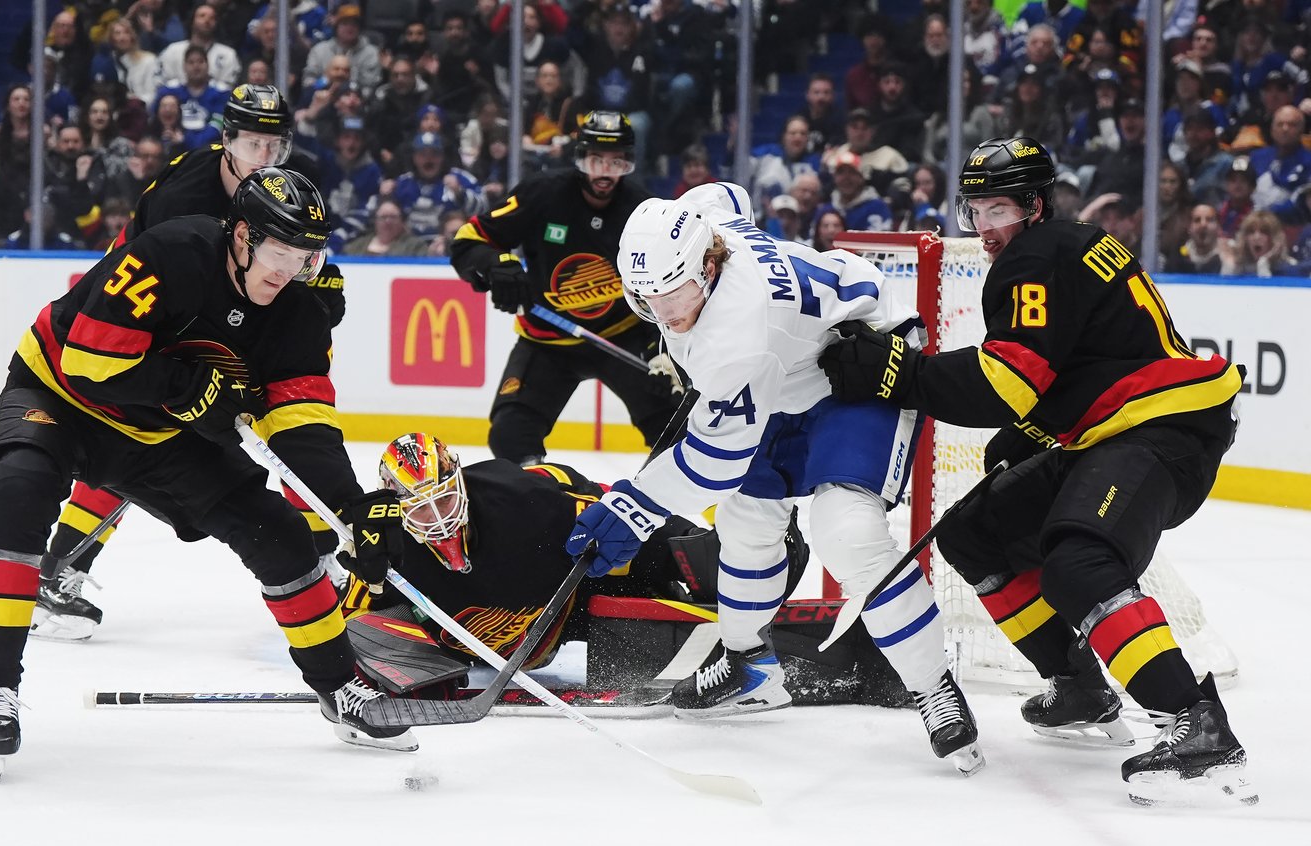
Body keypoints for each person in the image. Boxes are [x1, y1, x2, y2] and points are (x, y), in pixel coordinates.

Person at [813, 136, 1253, 805]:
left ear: (1036, 206)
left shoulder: (1035, 256)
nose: (983, 228)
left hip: (1159, 432)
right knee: (976, 531)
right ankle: (1077, 683)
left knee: (1078, 564)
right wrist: (1033, 429)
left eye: (997, 210)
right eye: (974, 212)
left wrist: (900, 374)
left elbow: (1005, 381)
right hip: (1121, 428)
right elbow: (1087, 357)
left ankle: (1195, 721)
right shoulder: (1065, 244)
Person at [0, 167, 418, 774]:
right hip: (59, 399)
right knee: (18, 492)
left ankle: (340, 687)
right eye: (279, 251)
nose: (288, 270)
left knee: (278, 533)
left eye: (305, 255)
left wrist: (348, 510)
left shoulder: (299, 312)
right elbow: (87, 360)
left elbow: (303, 429)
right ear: (242, 237)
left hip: (159, 435)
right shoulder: (173, 253)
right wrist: (182, 386)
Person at [564, 182, 985, 775]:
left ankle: (933, 687)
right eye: (647, 300)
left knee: (848, 532)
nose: (666, 315)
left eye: (677, 294)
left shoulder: (737, 333)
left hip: (862, 361)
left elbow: (714, 463)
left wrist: (632, 505)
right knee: (745, 521)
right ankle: (749, 665)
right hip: (787, 371)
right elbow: (727, 195)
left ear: (709, 266)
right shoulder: (707, 230)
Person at [34, 85, 347, 641]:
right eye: (254, 143)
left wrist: (311, 298)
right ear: (226, 141)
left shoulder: (281, 193)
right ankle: (62, 567)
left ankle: (321, 555)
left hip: (210, 325)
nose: (266, 157)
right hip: (140, 328)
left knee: (292, 429)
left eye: (276, 145)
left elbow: (299, 278)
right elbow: (160, 289)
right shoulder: (187, 198)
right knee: (141, 437)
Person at [335, 433, 778, 683]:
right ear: (394, 505)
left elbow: (614, 523)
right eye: (420, 507)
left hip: (565, 596)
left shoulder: (524, 505)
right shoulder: (384, 545)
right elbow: (348, 625)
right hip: (509, 634)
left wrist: (687, 546)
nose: (439, 519)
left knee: (659, 553)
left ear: (460, 483)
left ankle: (748, 598)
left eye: (445, 499)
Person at [450, 110, 678, 466]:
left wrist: (666, 349)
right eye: (595, 159)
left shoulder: (645, 211)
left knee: (678, 429)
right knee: (510, 435)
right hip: (548, 340)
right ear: (579, 157)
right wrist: (496, 265)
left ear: (629, 163)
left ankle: (699, 517)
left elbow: (674, 286)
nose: (604, 172)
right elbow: (468, 240)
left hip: (626, 336)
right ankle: (542, 508)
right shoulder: (542, 194)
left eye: (616, 161)